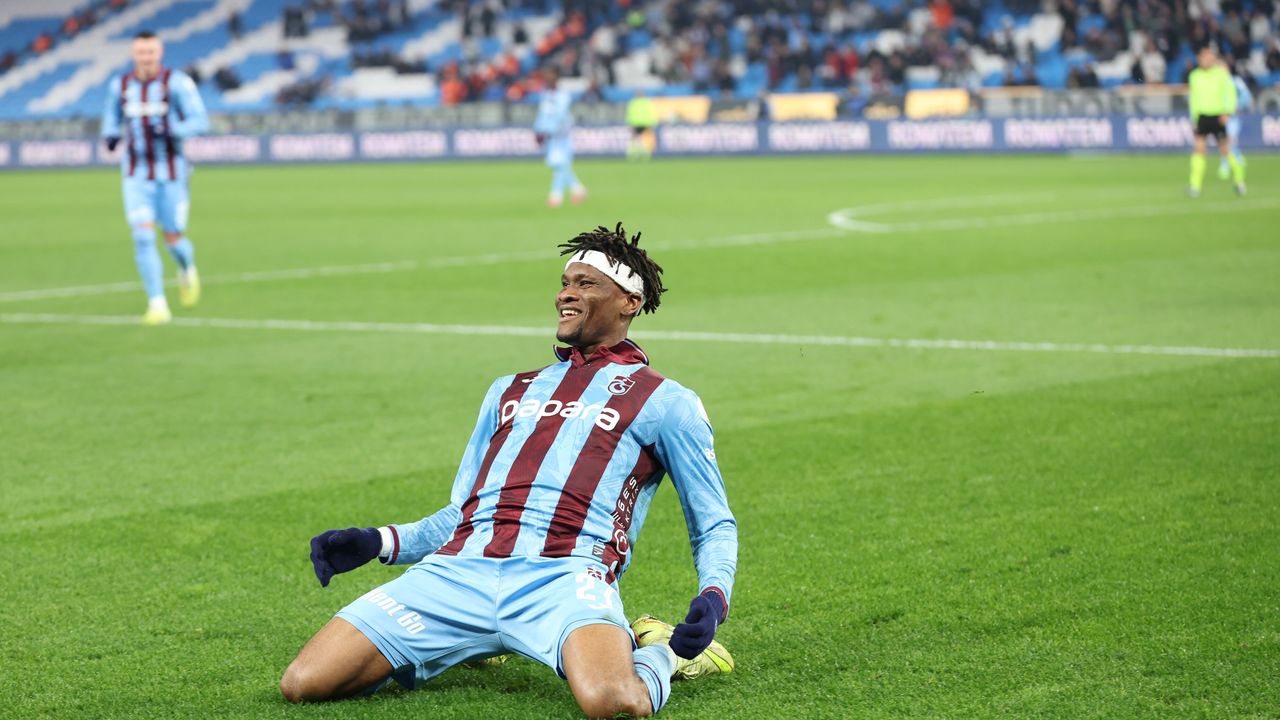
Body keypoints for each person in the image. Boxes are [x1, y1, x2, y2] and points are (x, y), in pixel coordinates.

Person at [280, 224, 738, 717]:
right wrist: (378, 541)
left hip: (565, 578)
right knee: (304, 683)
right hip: (458, 572)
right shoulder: (510, 389)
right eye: (565, 282)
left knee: (614, 702)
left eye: (586, 283)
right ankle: (475, 639)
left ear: (629, 302)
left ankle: (664, 653)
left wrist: (714, 597)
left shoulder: (667, 402)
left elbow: (712, 522)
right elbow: (463, 514)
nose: (566, 293)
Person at [100, 31, 209, 325]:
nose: (145, 58)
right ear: (133, 55)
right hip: (135, 174)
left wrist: (174, 130)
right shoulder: (120, 85)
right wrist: (110, 135)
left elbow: (201, 120)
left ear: (159, 53)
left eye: (150, 52)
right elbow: (111, 116)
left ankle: (186, 267)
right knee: (143, 236)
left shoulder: (177, 83)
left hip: (171, 172)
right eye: (141, 52)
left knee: (172, 238)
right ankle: (157, 304)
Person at [1186, 46, 1243, 198]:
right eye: (1204, 57)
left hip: (1218, 116)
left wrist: (1228, 112)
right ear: (1199, 59)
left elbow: (1231, 94)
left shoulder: (1221, 74)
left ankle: (1239, 180)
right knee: (1199, 150)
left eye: (1210, 57)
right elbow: (1193, 99)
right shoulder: (1194, 76)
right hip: (1202, 117)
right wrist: (1193, 118)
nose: (1207, 60)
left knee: (1225, 150)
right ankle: (1195, 186)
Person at [534, 67, 587, 207]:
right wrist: (538, 130)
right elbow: (542, 114)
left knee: (559, 164)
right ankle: (578, 189)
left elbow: (560, 116)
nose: (547, 78)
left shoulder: (562, 95)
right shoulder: (545, 94)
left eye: (550, 75)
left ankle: (556, 196)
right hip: (550, 135)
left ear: (556, 77)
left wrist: (547, 130)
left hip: (560, 135)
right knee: (558, 164)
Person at [1217, 62, 1251, 184]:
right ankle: (1237, 159)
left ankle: (1226, 165)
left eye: (1222, 68)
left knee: (1229, 140)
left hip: (1232, 117)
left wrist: (1236, 106)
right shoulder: (1216, 83)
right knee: (1224, 141)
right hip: (1219, 116)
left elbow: (1246, 96)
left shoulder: (1235, 81)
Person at [625, 92, 658, 160]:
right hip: (638, 123)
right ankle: (636, 154)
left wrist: (652, 122)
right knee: (637, 139)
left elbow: (650, 113)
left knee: (638, 139)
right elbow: (630, 113)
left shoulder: (637, 103)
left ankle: (640, 153)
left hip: (642, 123)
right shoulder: (638, 103)